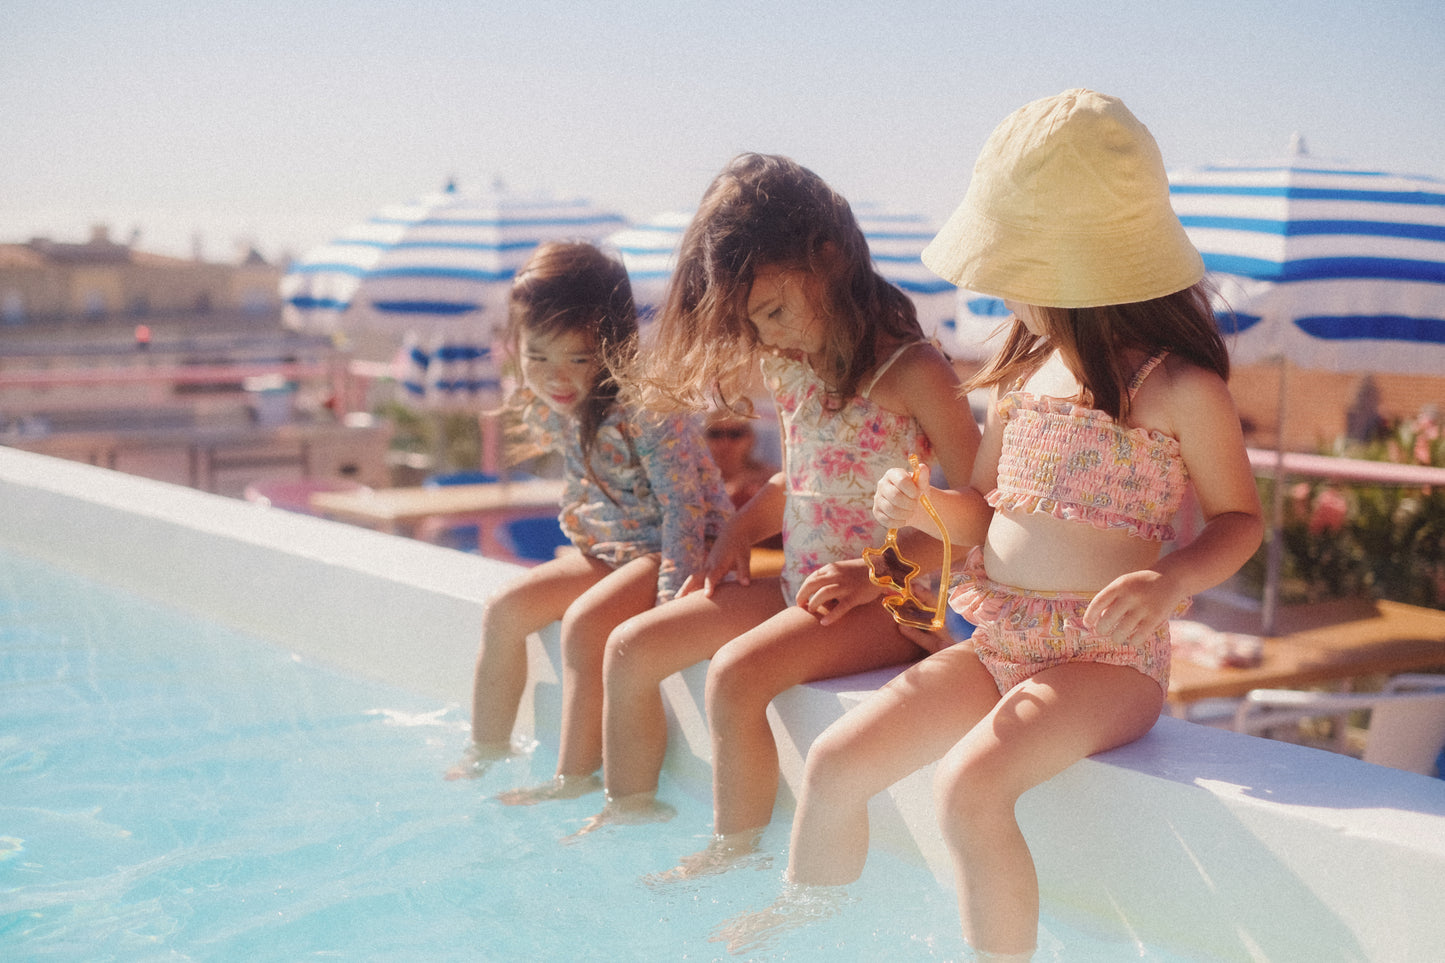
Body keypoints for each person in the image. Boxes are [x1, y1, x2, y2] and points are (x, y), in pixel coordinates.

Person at [721, 90, 1265, 960]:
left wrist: (1173, 578)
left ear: (1070, 268)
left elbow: (1239, 519)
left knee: (967, 791)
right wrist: (914, 521)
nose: (1002, 289)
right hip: (998, 638)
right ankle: (805, 933)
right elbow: (976, 512)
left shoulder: (1181, 388)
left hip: (1103, 660)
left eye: (1015, 270)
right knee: (835, 764)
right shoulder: (1023, 377)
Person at [577, 153, 981, 874]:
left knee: (734, 675)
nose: (768, 339)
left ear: (826, 257)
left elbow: (981, 510)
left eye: (771, 312)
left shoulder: (913, 371)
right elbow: (805, 479)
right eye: (752, 326)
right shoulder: (795, 364)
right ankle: (627, 813)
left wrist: (875, 570)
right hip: (803, 581)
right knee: (629, 648)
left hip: (886, 602)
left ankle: (734, 853)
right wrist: (739, 528)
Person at [445, 241, 732, 800]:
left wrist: (672, 601)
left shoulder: (646, 409)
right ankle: (486, 751)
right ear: (516, 348)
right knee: (503, 611)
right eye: (538, 358)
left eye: (578, 358)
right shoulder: (555, 407)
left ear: (613, 347)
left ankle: (572, 778)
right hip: (610, 550)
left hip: (669, 548)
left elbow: (685, 506)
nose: (557, 377)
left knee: (584, 626)